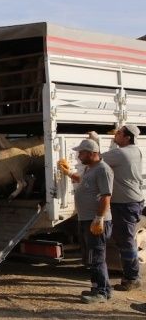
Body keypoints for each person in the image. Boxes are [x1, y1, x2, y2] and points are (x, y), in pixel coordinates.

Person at [78, 125, 143, 291]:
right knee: (124, 240)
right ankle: (130, 276)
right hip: (130, 201)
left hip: (124, 204)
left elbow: (96, 158)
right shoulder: (135, 150)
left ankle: (132, 278)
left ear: (127, 137)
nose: (116, 134)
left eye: (119, 133)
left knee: (125, 241)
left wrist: (94, 140)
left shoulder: (121, 154)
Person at [60, 139, 114, 303]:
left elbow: (106, 196)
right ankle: (101, 287)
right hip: (87, 219)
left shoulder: (103, 170)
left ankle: (101, 292)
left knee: (97, 256)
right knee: (94, 256)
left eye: (81, 152)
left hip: (95, 221)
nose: (78, 155)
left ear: (92, 153)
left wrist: (99, 218)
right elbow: (81, 181)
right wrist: (68, 172)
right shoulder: (90, 168)